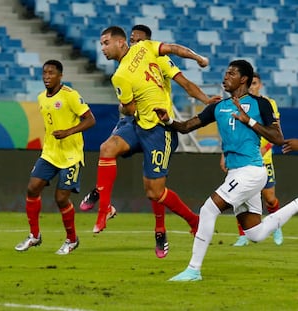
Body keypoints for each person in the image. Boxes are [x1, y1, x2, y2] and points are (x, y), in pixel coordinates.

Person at [80, 25, 221, 258]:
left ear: (121, 42)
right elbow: (131, 110)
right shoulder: (121, 73)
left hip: (160, 129)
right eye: (101, 44)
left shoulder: (147, 53)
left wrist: (202, 78)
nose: (102, 48)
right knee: (107, 148)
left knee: (154, 192)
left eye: (106, 43)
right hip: (138, 124)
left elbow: (179, 73)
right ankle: (104, 207)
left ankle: (193, 221)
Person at [154, 59, 298, 281]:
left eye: (231, 73)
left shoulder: (261, 104)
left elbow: (278, 138)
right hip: (236, 172)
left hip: (251, 170)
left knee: (208, 210)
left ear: (244, 79)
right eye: (225, 73)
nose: (225, 77)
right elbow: (186, 127)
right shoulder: (218, 107)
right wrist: (168, 120)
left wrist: (249, 121)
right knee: (256, 234)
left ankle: (193, 269)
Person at [14, 59, 96, 255]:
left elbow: (91, 120)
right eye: (44, 73)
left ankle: (72, 239)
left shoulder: (71, 96)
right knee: (32, 188)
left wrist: (68, 132)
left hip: (71, 155)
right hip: (50, 153)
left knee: (61, 199)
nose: (47, 77)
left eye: (51, 73)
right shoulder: (42, 97)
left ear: (60, 76)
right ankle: (34, 235)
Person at [228, 72, 283, 246]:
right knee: (239, 197)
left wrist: (265, 148)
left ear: (260, 85)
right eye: (250, 84)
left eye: (255, 84)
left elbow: (277, 134)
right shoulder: (238, 104)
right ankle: (243, 234)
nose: (252, 87)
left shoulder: (268, 104)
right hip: (242, 160)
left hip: (264, 159)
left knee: (269, 198)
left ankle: (276, 226)